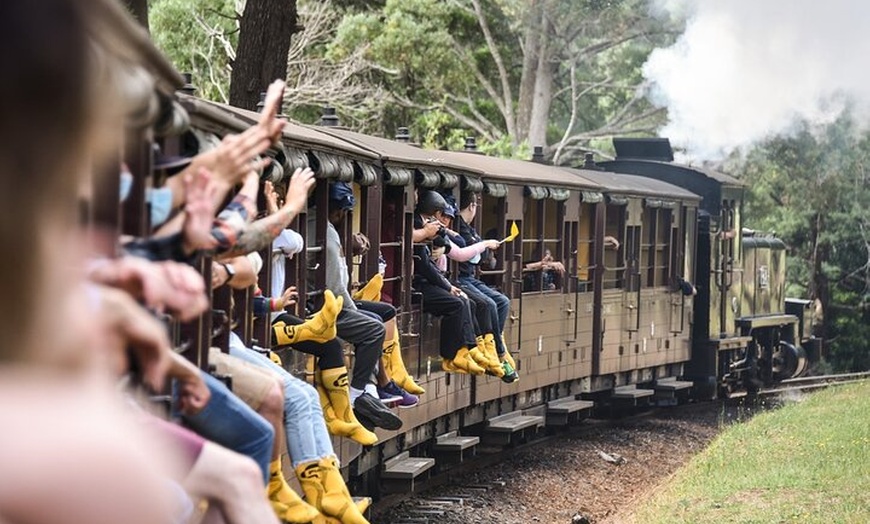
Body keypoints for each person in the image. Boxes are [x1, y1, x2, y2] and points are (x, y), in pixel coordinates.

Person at [325, 181, 404, 430]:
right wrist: (354, 309)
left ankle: (371, 388)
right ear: (340, 211)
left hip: (336, 300)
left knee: (378, 317)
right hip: (327, 306)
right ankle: (359, 393)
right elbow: (334, 286)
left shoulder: (330, 231)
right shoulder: (328, 236)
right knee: (373, 328)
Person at [412, 190, 490, 374]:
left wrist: (443, 239)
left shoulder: (427, 224)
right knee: (456, 304)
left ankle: (469, 349)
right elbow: (425, 266)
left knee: (467, 301)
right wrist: (448, 286)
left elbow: (452, 241)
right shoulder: (416, 223)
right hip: (419, 283)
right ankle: (452, 354)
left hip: (431, 279)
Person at [450, 191, 519, 381]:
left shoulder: (468, 229)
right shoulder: (459, 227)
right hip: (460, 277)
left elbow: (480, 257)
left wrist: (483, 248)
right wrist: (484, 246)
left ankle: (497, 345)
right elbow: (471, 255)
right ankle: (495, 352)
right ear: (472, 206)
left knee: (502, 301)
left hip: (469, 276)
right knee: (488, 304)